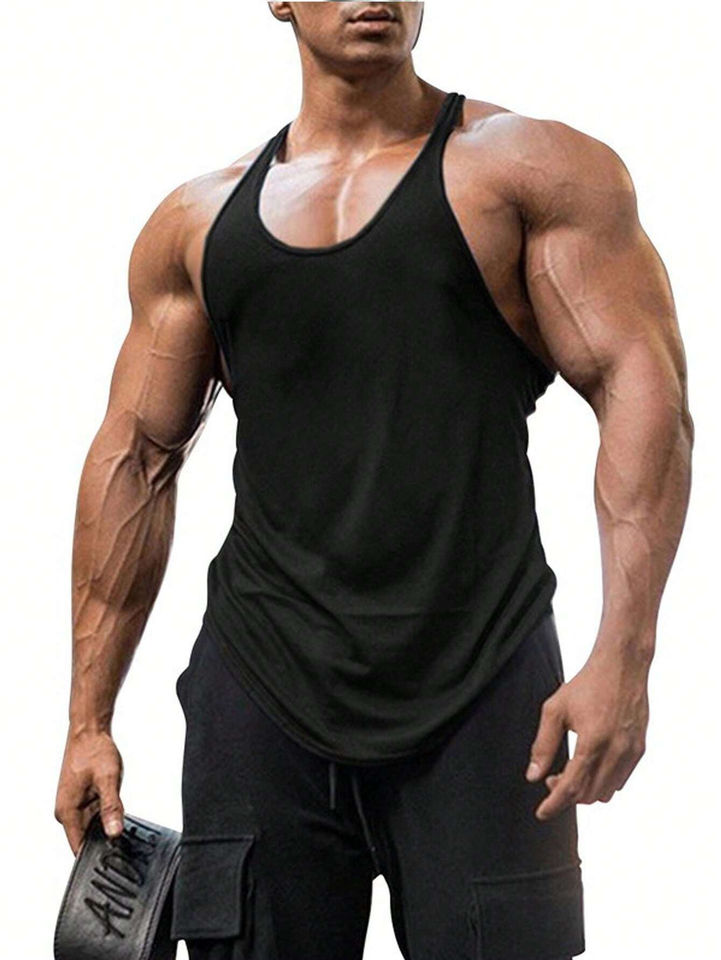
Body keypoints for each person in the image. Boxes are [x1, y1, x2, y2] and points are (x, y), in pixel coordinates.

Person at [54, 3, 694, 958]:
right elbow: (137, 459)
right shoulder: (197, 223)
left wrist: (624, 656)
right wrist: (87, 721)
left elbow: (642, 394)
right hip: (261, 688)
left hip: (482, 685)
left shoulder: (531, 172)